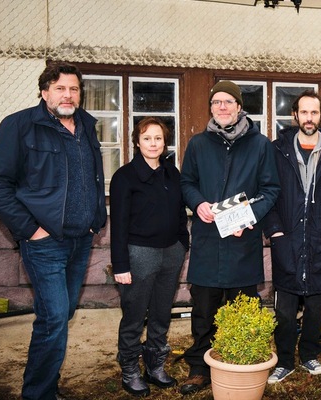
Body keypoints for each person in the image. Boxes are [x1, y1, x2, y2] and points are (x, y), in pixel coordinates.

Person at [0, 61, 107, 400]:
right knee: (54, 318)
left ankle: (46, 385)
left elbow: (91, 177)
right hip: (45, 242)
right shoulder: (20, 125)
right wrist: (31, 230)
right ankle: (38, 395)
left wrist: (97, 219)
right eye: (60, 88)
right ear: (44, 92)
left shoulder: (86, 125)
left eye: (74, 89)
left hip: (81, 239)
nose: (68, 95)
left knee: (61, 313)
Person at [178, 80, 280, 395]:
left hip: (242, 240)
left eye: (228, 102)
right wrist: (198, 203)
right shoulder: (198, 144)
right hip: (208, 240)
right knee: (204, 309)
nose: (222, 107)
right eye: (217, 102)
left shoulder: (260, 144)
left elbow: (271, 189)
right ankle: (199, 367)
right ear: (211, 108)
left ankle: (242, 363)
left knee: (244, 308)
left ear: (238, 107)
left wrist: (248, 217)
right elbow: (186, 182)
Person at [264, 90, 321, 384]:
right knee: (285, 308)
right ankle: (285, 360)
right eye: (304, 112)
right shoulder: (278, 149)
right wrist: (275, 231)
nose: (309, 118)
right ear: (295, 115)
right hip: (287, 237)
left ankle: (309, 356)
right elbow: (268, 191)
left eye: (314, 113)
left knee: (317, 304)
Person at [109, 117, 189, 396]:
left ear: (164, 142)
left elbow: (180, 211)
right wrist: (120, 264)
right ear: (137, 142)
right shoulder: (124, 177)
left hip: (171, 253)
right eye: (147, 138)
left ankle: (155, 366)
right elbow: (117, 225)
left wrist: (183, 243)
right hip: (139, 254)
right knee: (133, 315)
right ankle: (130, 370)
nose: (153, 143)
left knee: (160, 313)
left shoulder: (172, 173)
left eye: (158, 138)